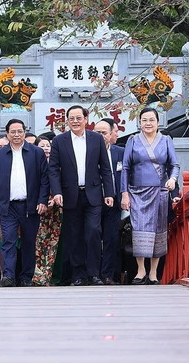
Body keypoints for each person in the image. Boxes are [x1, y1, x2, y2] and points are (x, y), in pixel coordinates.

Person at [48, 105, 114, 286]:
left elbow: (105, 169)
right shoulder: (59, 141)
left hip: (93, 194)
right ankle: (78, 275)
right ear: (67, 120)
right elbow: (53, 170)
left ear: (86, 119)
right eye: (71, 118)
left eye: (79, 118)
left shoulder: (96, 139)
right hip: (70, 194)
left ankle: (94, 274)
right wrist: (57, 192)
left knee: (93, 232)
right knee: (74, 235)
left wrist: (109, 193)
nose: (75, 122)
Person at [121, 107, 180, 285]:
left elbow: (174, 165)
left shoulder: (166, 140)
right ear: (139, 122)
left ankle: (154, 272)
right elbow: (125, 168)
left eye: (151, 120)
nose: (148, 123)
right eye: (144, 120)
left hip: (160, 192)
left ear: (157, 122)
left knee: (158, 230)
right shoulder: (133, 140)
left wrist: (172, 179)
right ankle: (140, 270)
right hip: (137, 191)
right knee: (139, 229)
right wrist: (124, 193)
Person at [0, 119, 49, 287]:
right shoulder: (0, 155)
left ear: (24, 132)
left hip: (30, 205)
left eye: (19, 131)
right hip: (8, 206)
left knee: (29, 242)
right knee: (8, 240)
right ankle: (8, 275)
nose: (16, 135)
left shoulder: (36, 153)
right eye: (13, 132)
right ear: (7, 134)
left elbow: (45, 179)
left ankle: (26, 277)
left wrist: (42, 200)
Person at [94, 118, 124, 285]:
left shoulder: (121, 152)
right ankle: (94, 274)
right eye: (97, 133)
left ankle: (108, 275)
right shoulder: (88, 151)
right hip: (93, 202)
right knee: (93, 237)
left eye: (104, 133)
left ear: (112, 133)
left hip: (115, 201)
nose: (100, 136)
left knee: (111, 238)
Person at [33, 138, 62, 285]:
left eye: (48, 145)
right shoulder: (34, 164)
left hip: (58, 211)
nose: (46, 148)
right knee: (40, 244)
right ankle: (40, 277)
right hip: (40, 210)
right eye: (42, 146)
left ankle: (55, 277)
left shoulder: (58, 164)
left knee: (56, 244)